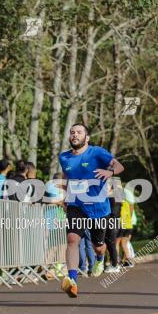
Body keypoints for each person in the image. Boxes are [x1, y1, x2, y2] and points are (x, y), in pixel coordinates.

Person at [57, 123, 124, 298]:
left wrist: (110, 173)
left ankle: (100, 259)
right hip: (76, 205)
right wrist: (65, 195)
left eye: (79, 132)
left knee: (98, 246)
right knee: (72, 239)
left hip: (99, 208)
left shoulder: (97, 152)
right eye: (72, 132)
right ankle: (72, 280)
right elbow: (66, 175)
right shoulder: (64, 157)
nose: (74, 135)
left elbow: (119, 166)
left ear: (87, 137)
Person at [104, 179, 122, 272]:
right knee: (110, 243)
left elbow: (113, 212)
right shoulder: (117, 196)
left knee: (111, 244)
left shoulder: (112, 197)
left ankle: (115, 265)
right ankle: (114, 263)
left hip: (112, 222)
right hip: (114, 221)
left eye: (106, 185)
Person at [118, 185, 136, 267]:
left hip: (123, 225)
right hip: (129, 225)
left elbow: (121, 216)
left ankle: (120, 261)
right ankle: (129, 260)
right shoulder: (127, 203)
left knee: (120, 244)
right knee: (124, 244)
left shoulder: (120, 205)